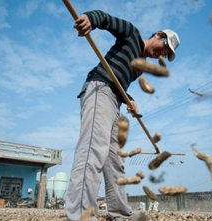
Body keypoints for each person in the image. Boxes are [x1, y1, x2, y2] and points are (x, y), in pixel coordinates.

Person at [65, 9, 180, 221]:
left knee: (114, 161)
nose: (162, 54)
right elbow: (107, 20)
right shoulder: (132, 35)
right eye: (165, 48)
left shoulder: (140, 68)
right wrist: (91, 19)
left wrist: (129, 98)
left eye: (165, 54)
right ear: (158, 35)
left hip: (114, 100)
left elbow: (118, 79)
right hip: (99, 89)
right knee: (93, 151)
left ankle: (119, 213)